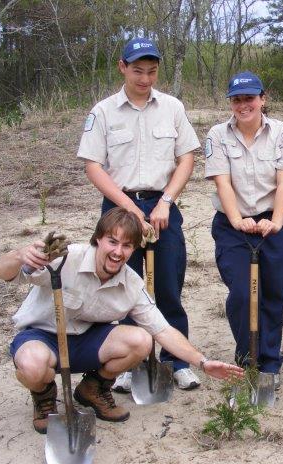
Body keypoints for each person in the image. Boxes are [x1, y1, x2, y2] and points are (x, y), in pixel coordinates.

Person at [0, 207, 243, 434]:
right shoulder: (65, 259)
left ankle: (93, 389)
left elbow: (163, 330)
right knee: (32, 364)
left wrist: (203, 362)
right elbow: (3, 273)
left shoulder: (131, 284)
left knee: (141, 340)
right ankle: (44, 396)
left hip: (89, 342)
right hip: (43, 338)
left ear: (133, 250)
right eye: (112, 242)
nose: (117, 252)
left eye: (126, 246)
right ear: (98, 240)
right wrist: (20, 256)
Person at [77, 37, 202, 391]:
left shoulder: (172, 108)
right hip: (120, 206)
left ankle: (176, 360)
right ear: (122, 67)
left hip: (163, 207)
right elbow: (93, 165)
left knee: (167, 285)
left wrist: (166, 201)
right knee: (120, 285)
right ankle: (128, 362)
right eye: (137, 70)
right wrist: (130, 208)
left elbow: (187, 158)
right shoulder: (103, 112)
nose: (145, 78)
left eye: (151, 71)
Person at [204, 71, 283, 389]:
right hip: (234, 225)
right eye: (237, 99)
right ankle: (247, 359)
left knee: (274, 291)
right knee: (243, 294)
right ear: (231, 103)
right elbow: (223, 181)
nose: (243, 105)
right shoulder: (218, 135)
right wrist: (236, 220)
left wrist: (276, 219)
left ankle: (269, 361)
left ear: (263, 99)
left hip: (276, 220)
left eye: (249, 98)